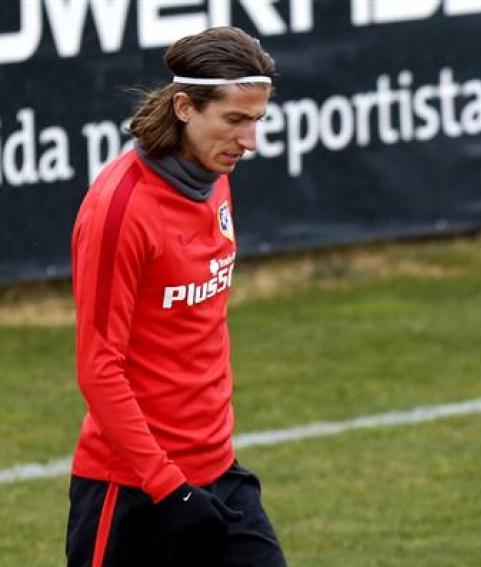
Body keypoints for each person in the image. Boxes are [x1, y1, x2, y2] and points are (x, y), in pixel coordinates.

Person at [66, 27, 286, 566]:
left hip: (218, 475)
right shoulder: (119, 209)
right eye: (235, 120)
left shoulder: (215, 176)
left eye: (256, 120)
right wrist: (169, 486)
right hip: (133, 493)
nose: (249, 140)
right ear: (185, 107)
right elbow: (99, 367)